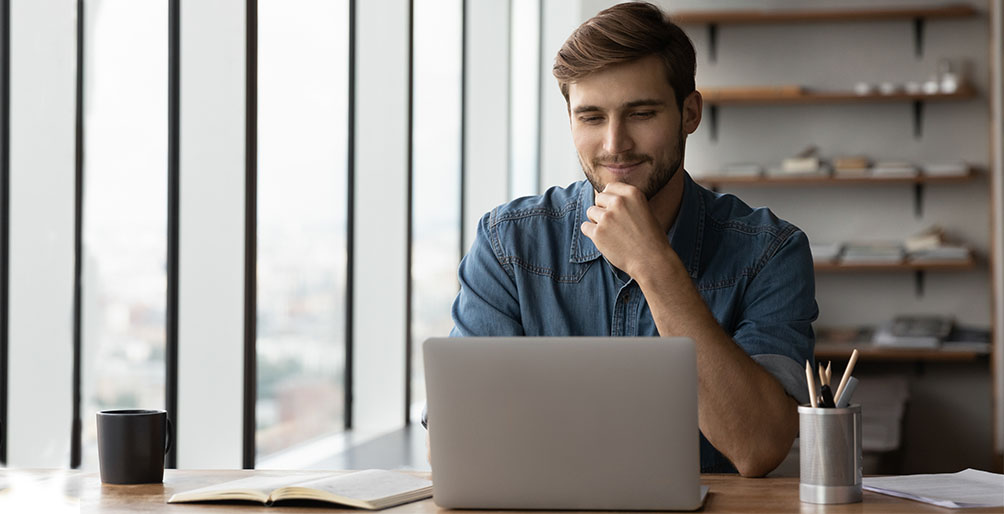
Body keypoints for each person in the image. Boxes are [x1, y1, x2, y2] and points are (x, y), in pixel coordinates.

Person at [428, 1, 817, 477]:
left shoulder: (770, 250)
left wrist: (655, 267)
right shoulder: (508, 245)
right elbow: (456, 444)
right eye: (591, 117)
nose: (615, 144)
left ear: (689, 113)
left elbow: (758, 446)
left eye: (641, 113)